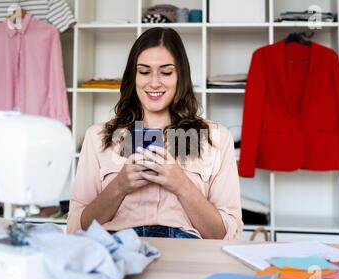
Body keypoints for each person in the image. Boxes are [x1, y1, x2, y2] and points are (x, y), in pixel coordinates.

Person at [67, 27, 242, 239]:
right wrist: (119, 186)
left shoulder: (216, 137)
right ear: (133, 76)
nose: (154, 82)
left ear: (181, 76)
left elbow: (226, 235)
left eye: (166, 72)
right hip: (117, 246)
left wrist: (181, 184)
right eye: (144, 71)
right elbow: (77, 228)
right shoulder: (97, 137)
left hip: (185, 251)